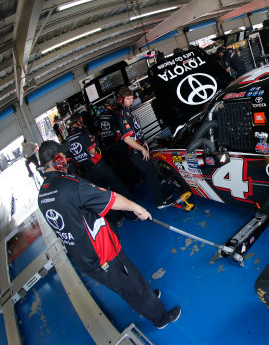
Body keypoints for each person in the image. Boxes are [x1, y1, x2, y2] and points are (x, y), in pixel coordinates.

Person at [36, 140, 181, 329]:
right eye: (63, 156)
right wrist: (137, 207)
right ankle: (160, 318)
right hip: (102, 254)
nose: (66, 159)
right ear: (57, 159)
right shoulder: (70, 185)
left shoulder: (42, 195)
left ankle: (146, 299)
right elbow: (111, 199)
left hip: (85, 257)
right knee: (130, 285)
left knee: (130, 279)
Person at [66, 112, 134, 224]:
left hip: (87, 171)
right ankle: (132, 212)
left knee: (102, 195)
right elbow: (92, 151)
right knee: (117, 186)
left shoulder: (67, 139)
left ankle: (117, 219)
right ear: (79, 121)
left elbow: (72, 160)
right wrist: (95, 142)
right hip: (99, 166)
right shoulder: (82, 132)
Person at [118, 87, 173, 209]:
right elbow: (127, 139)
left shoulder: (128, 111)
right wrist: (142, 149)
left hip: (140, 148)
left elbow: (136, 131)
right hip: (136, 152)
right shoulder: (122, 116)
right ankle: (160, 201)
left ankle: (161, 195)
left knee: (153, 172)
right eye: (128, 99)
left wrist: (144, 143)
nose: (131, 101)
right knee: (151, 175)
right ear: (121, 100)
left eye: (132, 98)